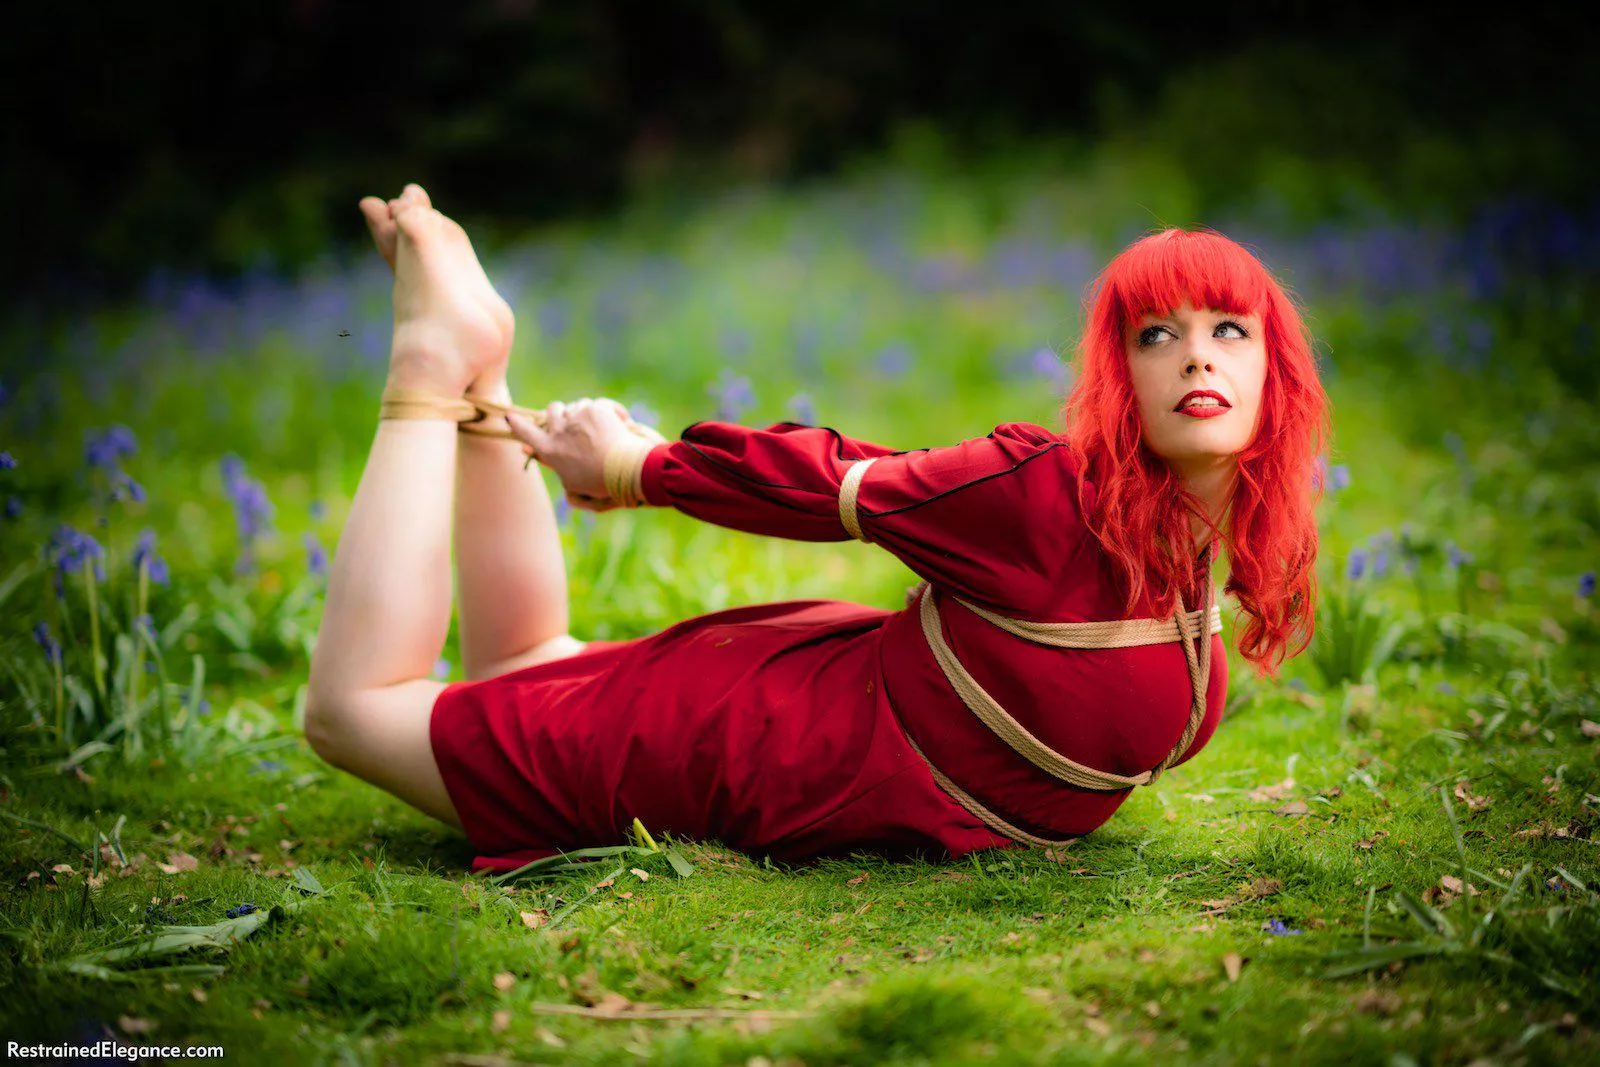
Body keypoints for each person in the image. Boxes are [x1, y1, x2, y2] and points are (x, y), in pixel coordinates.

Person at [304, 184, 1330, 873]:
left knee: (529, 664)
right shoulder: (1047, 494)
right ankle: (429, 368)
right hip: (755, 740)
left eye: (1226, 330)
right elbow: (839, 481)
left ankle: (481, 368)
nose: (1197, 357)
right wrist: (635, 468)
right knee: (352, 712)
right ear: (1120, 377)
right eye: (1157, 334)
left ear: (1272, 370)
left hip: (804, 709)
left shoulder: (1190, 572)